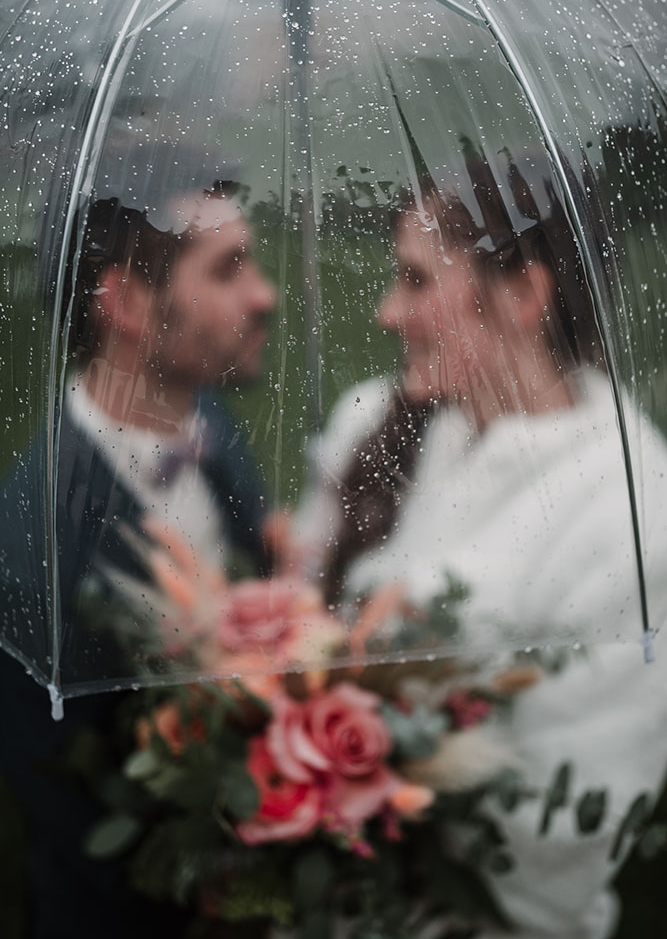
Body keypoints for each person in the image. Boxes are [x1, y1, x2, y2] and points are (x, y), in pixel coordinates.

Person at [295, 145, 667, 938]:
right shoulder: (383, 422)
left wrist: (362, 769)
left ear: (525, 293)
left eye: (418, 279)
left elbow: (573, 827)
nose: (387, 314)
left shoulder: (631, 516)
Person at [0, 178, 277, 938]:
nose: (265, 295)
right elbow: (80, 822)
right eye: (227, 270)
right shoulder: (37, 557)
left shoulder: (198, 406)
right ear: (123, 304)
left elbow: (249, 536)